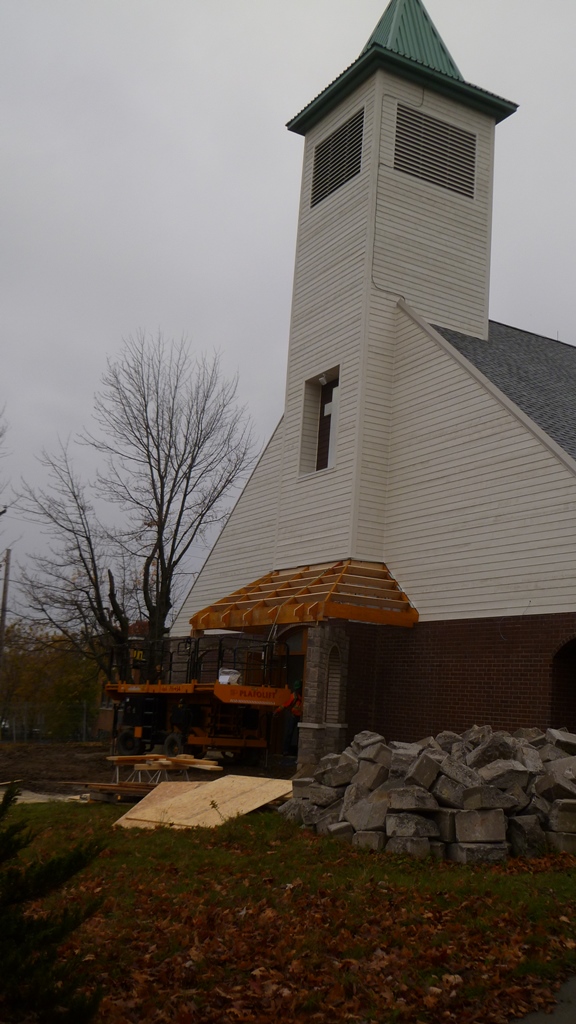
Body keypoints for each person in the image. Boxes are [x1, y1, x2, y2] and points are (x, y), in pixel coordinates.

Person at [275, 679, 303, 759]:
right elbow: (284, 705)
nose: (297, 690)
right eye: (297, 689)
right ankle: (285, 750)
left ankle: (298, 752)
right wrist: (277, 711)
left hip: (300, 718)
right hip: (293, 717)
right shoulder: (293, 696)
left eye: (298, 689)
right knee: (289, 733)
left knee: (299, 735)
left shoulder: (303, 696)